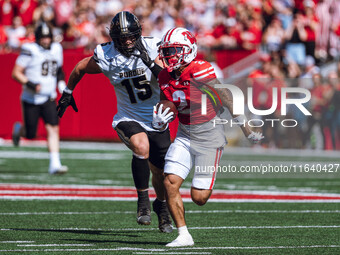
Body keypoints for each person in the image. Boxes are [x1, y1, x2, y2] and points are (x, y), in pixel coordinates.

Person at [56, 11, 173, 233]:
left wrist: (149, 62)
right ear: (113, 37)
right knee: (141, 146)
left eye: (131, 36)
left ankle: (162, 205)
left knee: (161, 172)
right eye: (123, 37)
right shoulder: (107, 55)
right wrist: (68, 91)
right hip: (128, 117)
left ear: (139, 33)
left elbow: (167, 79)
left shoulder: (152, 47)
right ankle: (142, 202)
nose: (128, 41)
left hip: (157, 118)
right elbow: (81, 67)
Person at [149, 27, 263, 247]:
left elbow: (227, 97)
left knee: (199, 198)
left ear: (189, 50)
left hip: (208, 135)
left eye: (174, 50)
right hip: (184, 132)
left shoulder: (199, 69)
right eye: (167, 51)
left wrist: (246, 129)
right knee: (170, 181)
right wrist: (160, 121)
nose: (169, 55)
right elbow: (168, 105)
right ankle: (184, 235)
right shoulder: (163, 76)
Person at [11, 22, 68, 175]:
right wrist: (30, 84)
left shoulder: (57, 49)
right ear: (37, 38)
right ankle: (19, 130)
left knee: (53, 128)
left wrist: (62, 86)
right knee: (30, 134)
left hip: (49, 96)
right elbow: (16, 73)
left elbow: (59, 71)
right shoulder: (29, 49)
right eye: (43, 37)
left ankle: (55, 164)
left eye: (48, 37)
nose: (46, 40)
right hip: (31, 98)